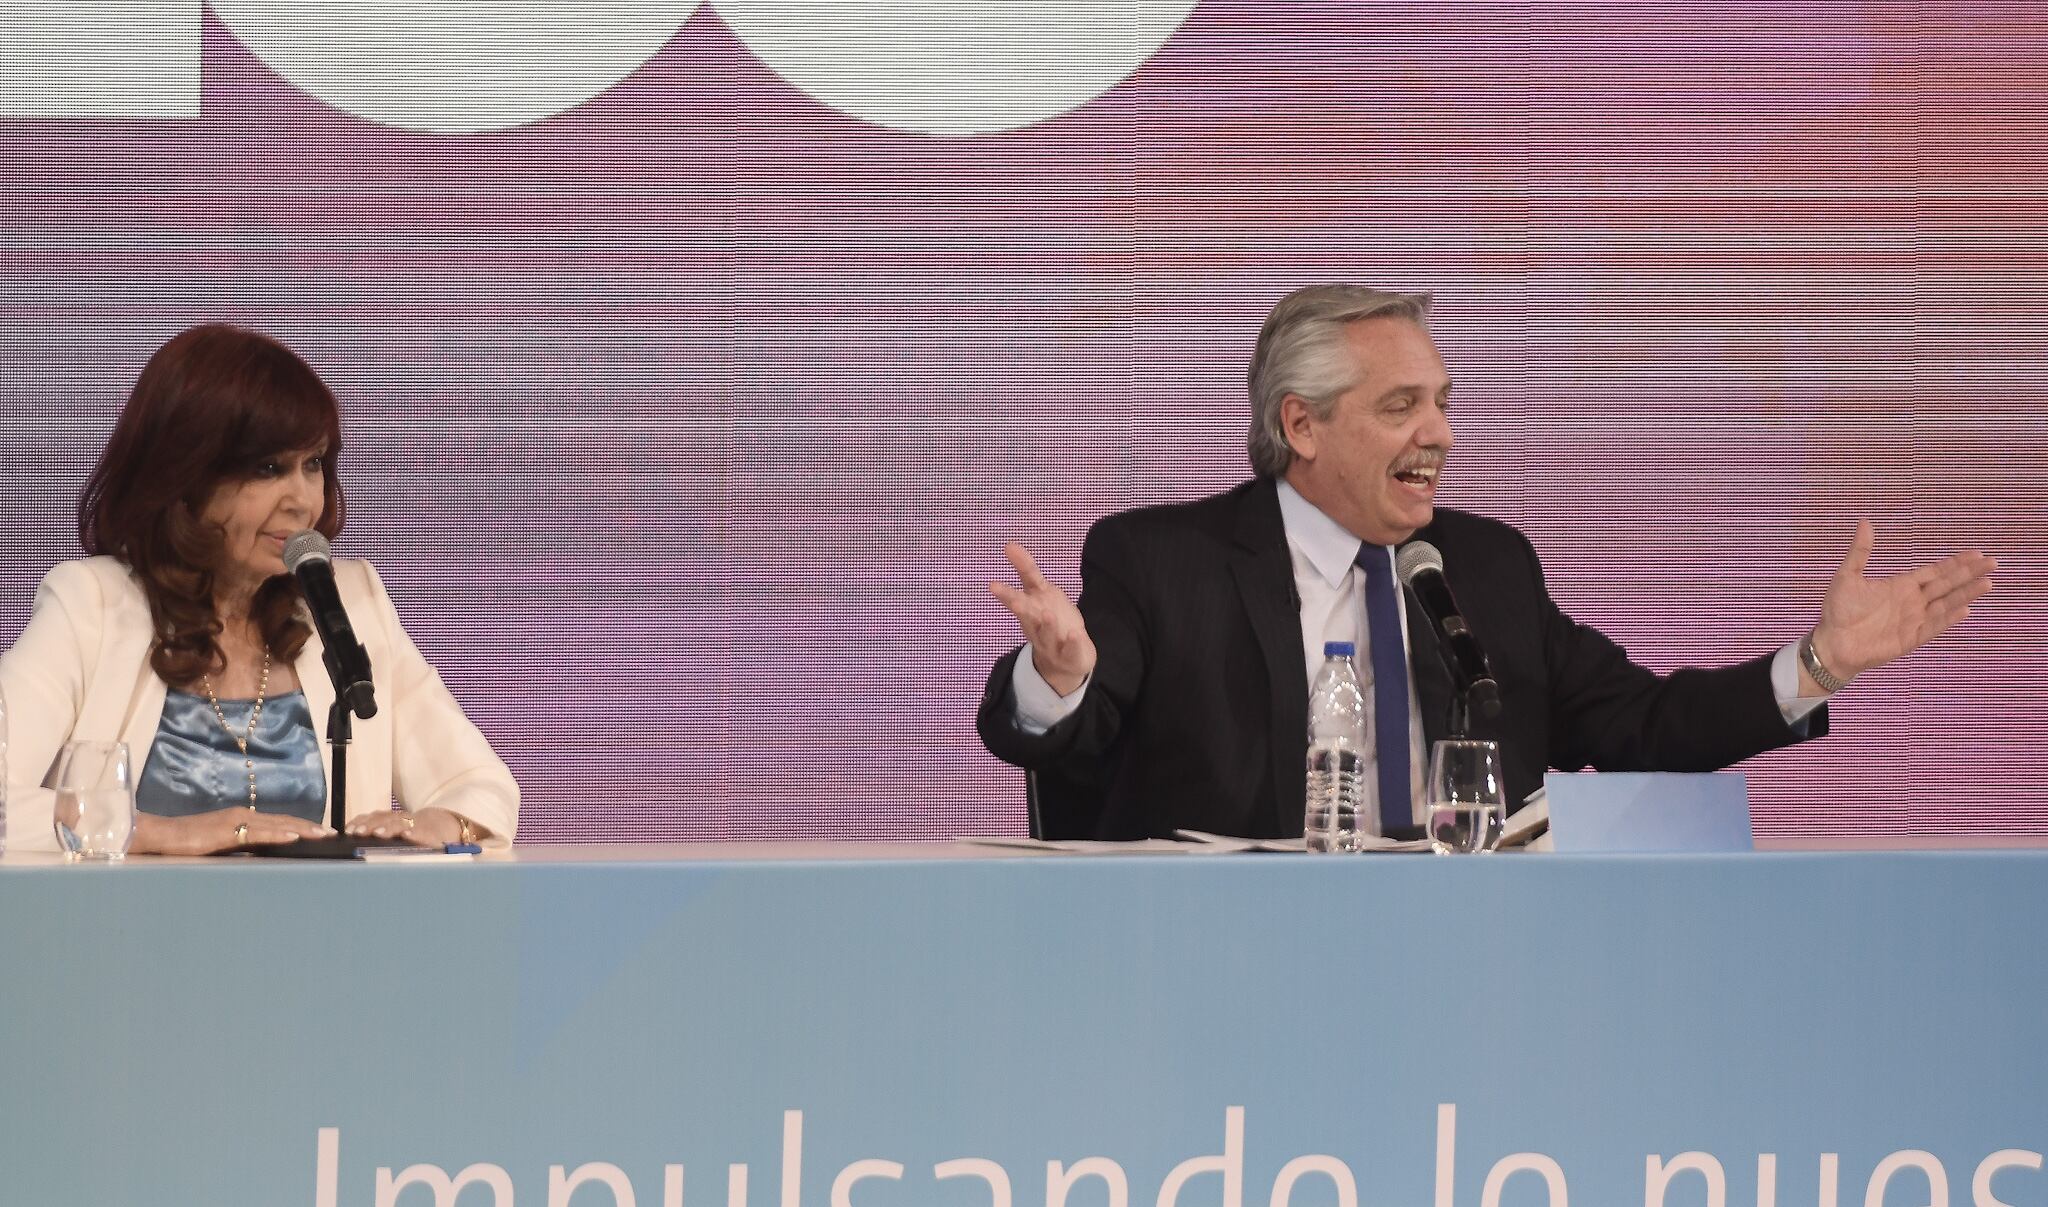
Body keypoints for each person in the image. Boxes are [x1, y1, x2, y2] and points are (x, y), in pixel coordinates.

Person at [978, 286, 1995, 840]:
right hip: (1222, 980)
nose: (1440, 434)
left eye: (1442, 400)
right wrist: (1056, 675)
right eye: (1398, 406)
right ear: (1302, 425)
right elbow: (1061, 727)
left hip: (1480, 974)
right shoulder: (1162, 560)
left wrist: (1814, 663)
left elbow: (1635, 722)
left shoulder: (1484, 563)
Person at [0, 324, 518, 854]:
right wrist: (162, 834)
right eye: (268, 468)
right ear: (187, 478)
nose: (302, 501)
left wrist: (447, 823)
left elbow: (482, 786)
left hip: (322, 934)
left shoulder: (351, 601)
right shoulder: (92, 605)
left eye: (312, 465)